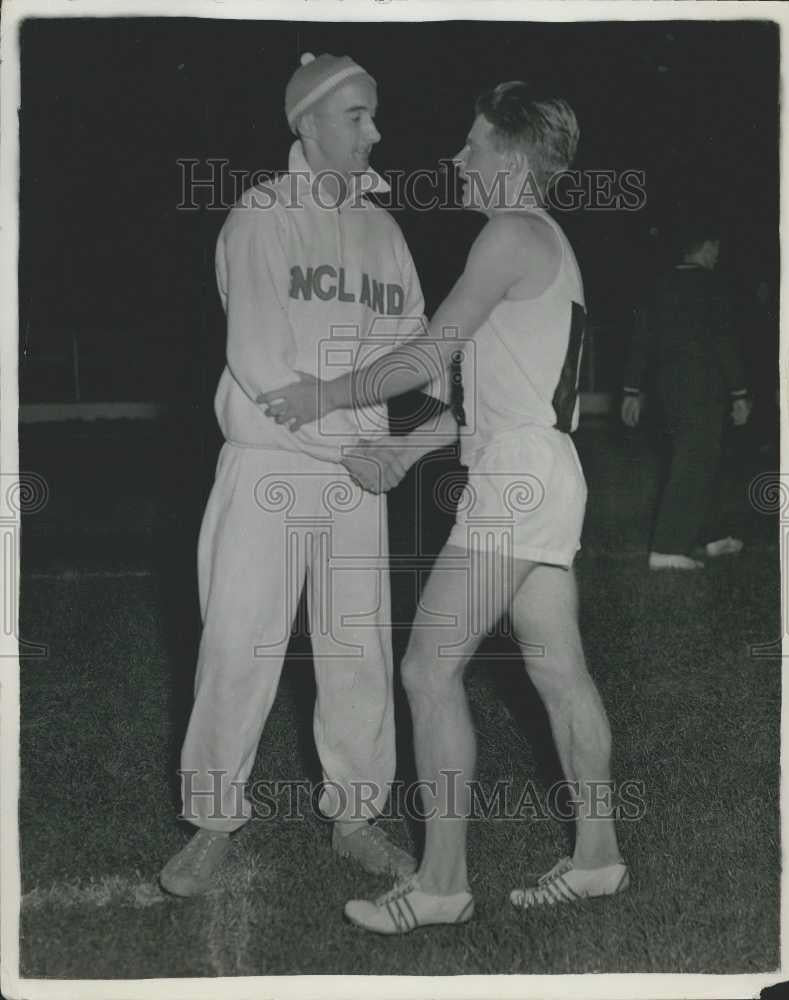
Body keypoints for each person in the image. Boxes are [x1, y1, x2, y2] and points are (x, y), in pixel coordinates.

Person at [261, 82, 628, 932]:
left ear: (511, 154)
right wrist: (408, 446)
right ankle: (598, 856)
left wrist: (326, 394)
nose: (455, 161)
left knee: (429, 669)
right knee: (557, 672)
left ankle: (441, 885)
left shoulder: (508, 233)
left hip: (517, 480)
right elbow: (496, 409)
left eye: (471, 146)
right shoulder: (547, 243)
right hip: (539, 468)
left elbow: (430, 348)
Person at [160, 53, 429, 896]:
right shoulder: (260, 217)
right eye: (356, 115)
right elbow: (259, 363)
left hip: (357, 475)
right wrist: (353, 446)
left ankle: (356, 817)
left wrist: (392, 440)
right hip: (272, 468)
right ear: (306, 123)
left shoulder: (385, 230)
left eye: (374, 114)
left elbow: (417, 346)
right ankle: (212, 822)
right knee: (239, 646)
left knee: (355, 652)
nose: (374, 132)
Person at [621, 220, 752, 570]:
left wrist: (631, 391)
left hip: (668, 390)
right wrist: (740, 393)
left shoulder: (660, 284)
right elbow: (724, 342)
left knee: (697, 461)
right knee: (694, 464)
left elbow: (642, 340)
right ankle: (666, 549)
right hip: (704, 390)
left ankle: (702, 539)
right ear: (706, 247)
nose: (718, 255)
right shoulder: (712, 285)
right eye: (716, 249)